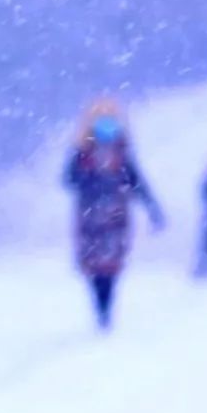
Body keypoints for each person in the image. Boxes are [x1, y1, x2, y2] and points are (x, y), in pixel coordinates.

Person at [65, 101, 165, 330]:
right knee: (93, 267)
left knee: (111, 266)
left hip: (116, 218)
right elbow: (69, 179)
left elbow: (138, 182)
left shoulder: (122, 152)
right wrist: (87, 174)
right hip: (90, 218)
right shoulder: (82, 153)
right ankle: (100, 309)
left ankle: (106, 311)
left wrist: (153, 210)